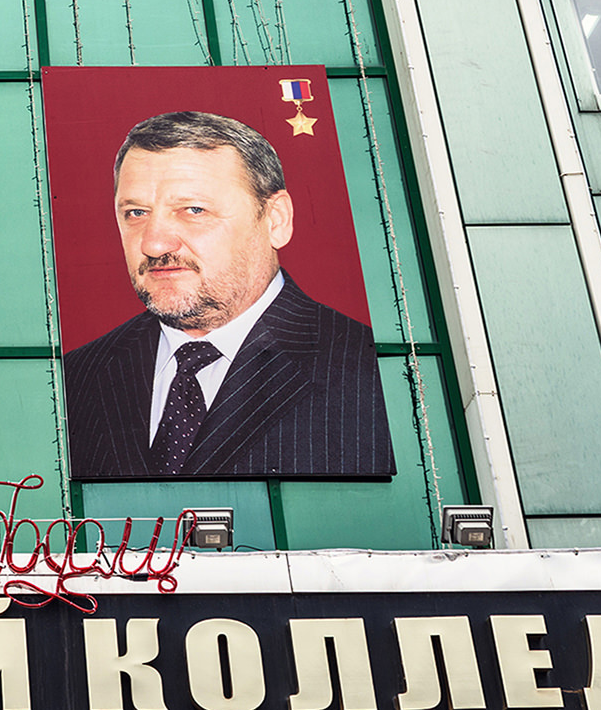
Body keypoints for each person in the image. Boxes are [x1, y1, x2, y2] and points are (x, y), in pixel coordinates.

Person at [62, 111, 393, 481]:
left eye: (193, 210)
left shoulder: (369, 368)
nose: (154, 243)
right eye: (136, 212)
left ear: (276, 219)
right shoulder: (77, 376)